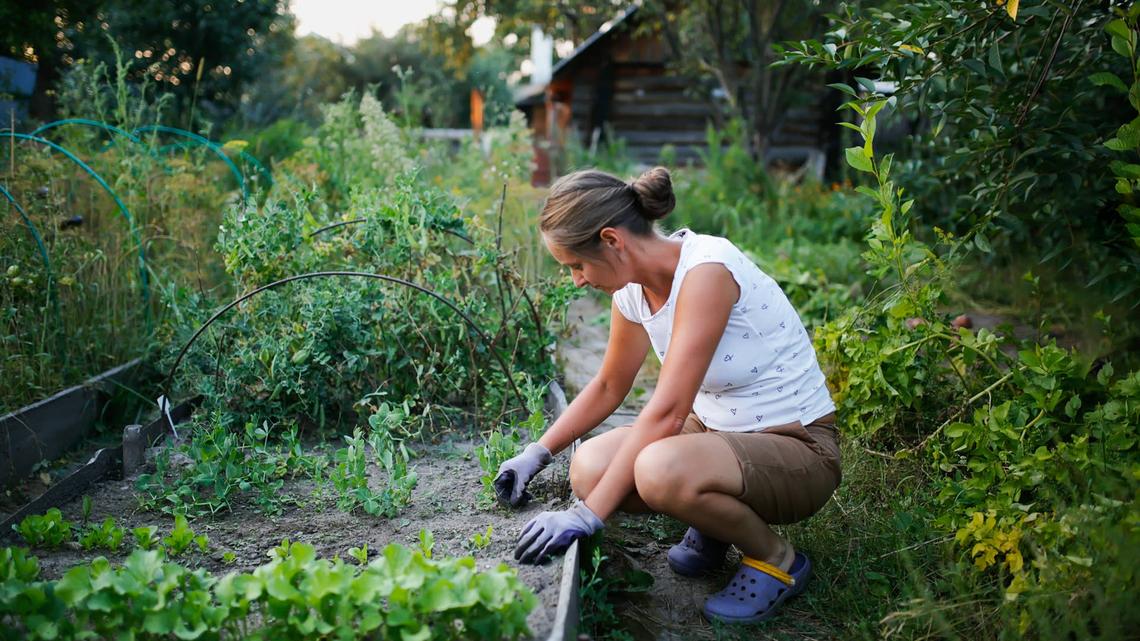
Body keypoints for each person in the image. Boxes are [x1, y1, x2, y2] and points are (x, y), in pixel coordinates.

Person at [494, 166, 842, 624]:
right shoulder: (633, 294)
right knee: (590, 469)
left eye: (577, 265)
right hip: (719, 435)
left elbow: (670, 412)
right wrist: (536, 453)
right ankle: (717, 524)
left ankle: (778, 560)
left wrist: (586, 516)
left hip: (798, 448)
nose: (577, 280)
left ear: (613, 240)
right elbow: (608, 386)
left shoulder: (706, 269)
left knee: (658, 470)